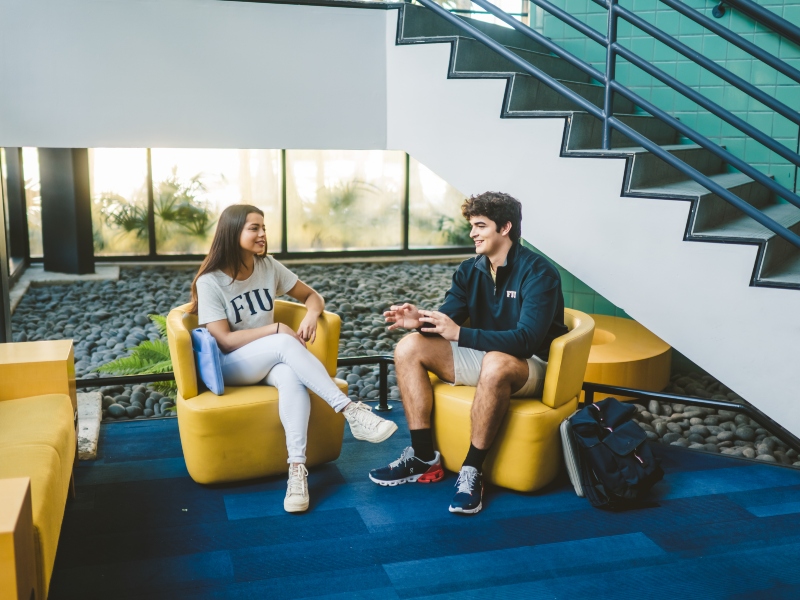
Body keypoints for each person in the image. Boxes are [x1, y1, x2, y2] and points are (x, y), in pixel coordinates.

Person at [190, 204, 397, 513]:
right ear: (232, 233)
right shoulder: (210, 281)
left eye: (263, 227)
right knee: (283, 344)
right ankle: (351, 411)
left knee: (290, 378)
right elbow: (225, 340)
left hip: (268, 359)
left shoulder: (268, 266)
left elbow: (313, 297)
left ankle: (296, 471)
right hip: (231, 365)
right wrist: (275, 328)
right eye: (253, 228)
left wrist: (312, 316)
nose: (262, 234)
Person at [369, 192, 567, 515]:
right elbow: (448, 319)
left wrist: (461, 335)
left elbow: (527, 340)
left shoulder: (539, 273)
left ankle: (472, 469)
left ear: (505, 228)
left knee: (495, 362)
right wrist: (419, 321)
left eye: (480, 226)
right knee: (408, 348)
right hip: (487, 353)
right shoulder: (469, 270)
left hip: (532, 364)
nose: (472, 233)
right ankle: (422, 458)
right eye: (472, 226)